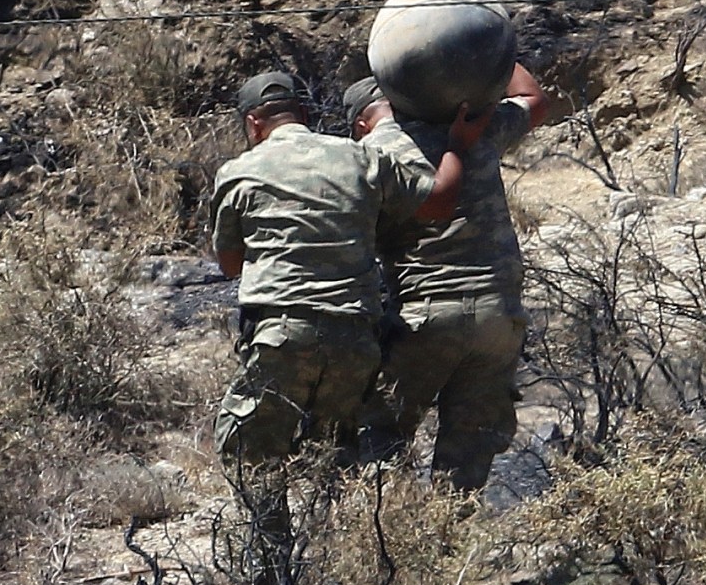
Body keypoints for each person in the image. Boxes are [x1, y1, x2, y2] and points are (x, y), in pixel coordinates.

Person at [210, 71, 484, 497]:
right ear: (304, 113)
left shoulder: (237, 172)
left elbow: (230, 264)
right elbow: (440, 200)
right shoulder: (359, 156)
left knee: (250, 455)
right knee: (338, 460)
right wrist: (457, 146)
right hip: (355, 339)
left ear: (253, 124)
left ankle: (271, 559)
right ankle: (345, 550)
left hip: (283, 334)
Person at [345, 63, 549, 492]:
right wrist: (487, 49)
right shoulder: (477, 127)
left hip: (424, 319)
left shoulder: (369, 154)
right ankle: (453, 546)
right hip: (500, 317)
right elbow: (534, 100)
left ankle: (388, 543)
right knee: (468, 457)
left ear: (362, 123)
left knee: (379, 442)